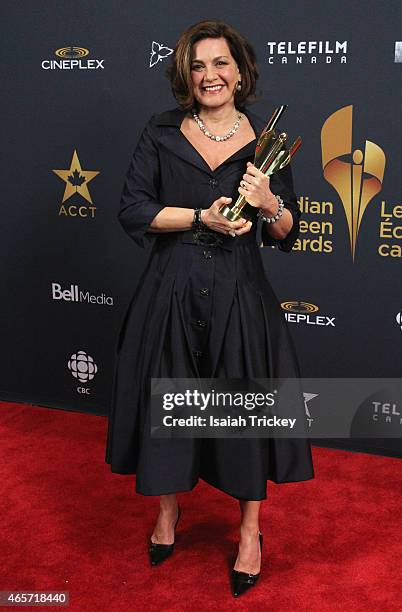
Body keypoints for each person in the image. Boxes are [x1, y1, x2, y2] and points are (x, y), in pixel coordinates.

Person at [105, 19, 314, 598]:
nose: (210, 75)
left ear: (241, 72)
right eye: (198, 66)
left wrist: (271, 203)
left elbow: (285, 232)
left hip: (240, 293)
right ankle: (168, 512)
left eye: (221, 63)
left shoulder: (266, 143)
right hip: (170, 288)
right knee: (168, 401)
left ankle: (250, 531)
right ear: (185, 75)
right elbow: (133, 209)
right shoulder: (161, 131)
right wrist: (201, 216)